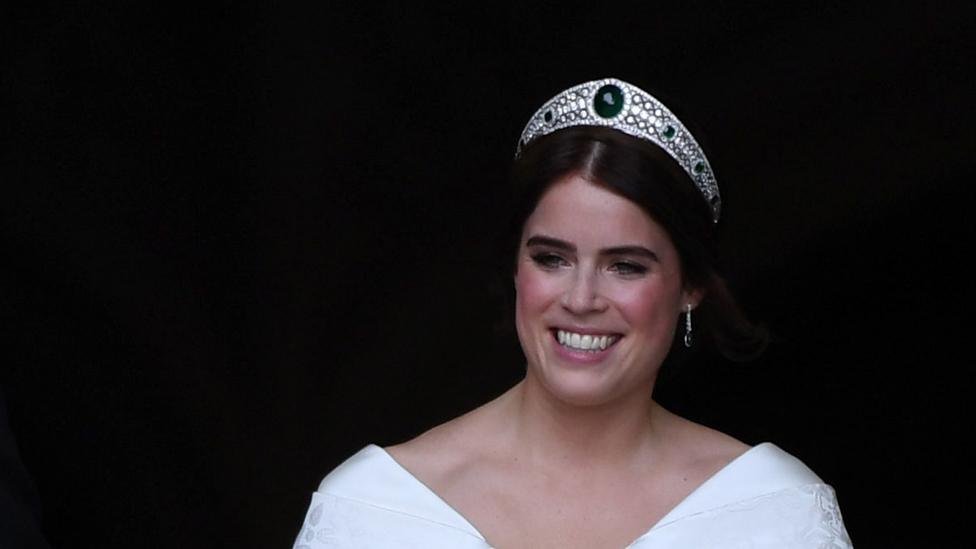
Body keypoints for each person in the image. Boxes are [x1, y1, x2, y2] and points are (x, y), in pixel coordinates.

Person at [292, 78, 853, 548]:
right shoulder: (372, 512)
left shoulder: (777, 516)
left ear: (693, 286)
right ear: (516, 268)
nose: (581, 299)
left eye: (626, 266)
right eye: (552, 258)